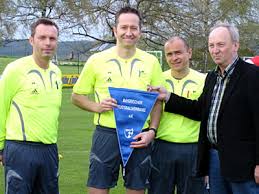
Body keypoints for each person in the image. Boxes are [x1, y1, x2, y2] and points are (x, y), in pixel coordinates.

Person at [149, 21, 259, 194]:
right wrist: (168, 97)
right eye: (211, 45)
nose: (215, 50)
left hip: (243, 162)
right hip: (214, 158)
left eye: (221, 45)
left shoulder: (252, 76)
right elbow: (199, 109)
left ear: (236, 45)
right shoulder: (212, 77)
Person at [71, 6, 163, 194]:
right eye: (124, 27)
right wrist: (97, 106)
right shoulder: (97, 60)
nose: (128, 32)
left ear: (140, 31)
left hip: (139, 136)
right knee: (97, 189)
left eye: (133, 28)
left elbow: (157, 101)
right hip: (106, 135)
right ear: (115, 30)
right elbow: (76, 96)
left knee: (136, 190)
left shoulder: (151, 62)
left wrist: (152, 131)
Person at [0, 18, 62, 194]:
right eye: (42, 37)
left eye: (52, 38)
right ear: (31, 40)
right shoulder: (15, 70)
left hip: (50, 149)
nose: (48, 43)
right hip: (20, 149)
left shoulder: (57, 72)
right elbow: (0, 107)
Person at [148, 37, 206, 194]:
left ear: (189, 52)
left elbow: (203, 113)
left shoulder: (205, 80)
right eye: (169, 54)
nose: (174, 58)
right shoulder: (157, 79)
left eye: (178, 52)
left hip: (193, 149)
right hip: (161, 147)